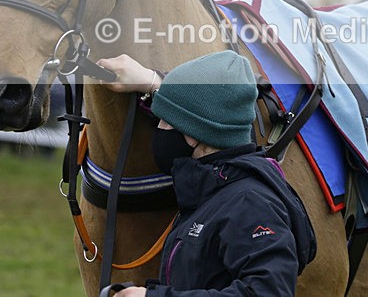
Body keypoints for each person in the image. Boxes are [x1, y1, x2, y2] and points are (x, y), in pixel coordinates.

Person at [96, 51, 316, 296]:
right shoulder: (212, 190)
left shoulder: (250, 203)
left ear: (194, 133)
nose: (159, 129)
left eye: (165, 121)